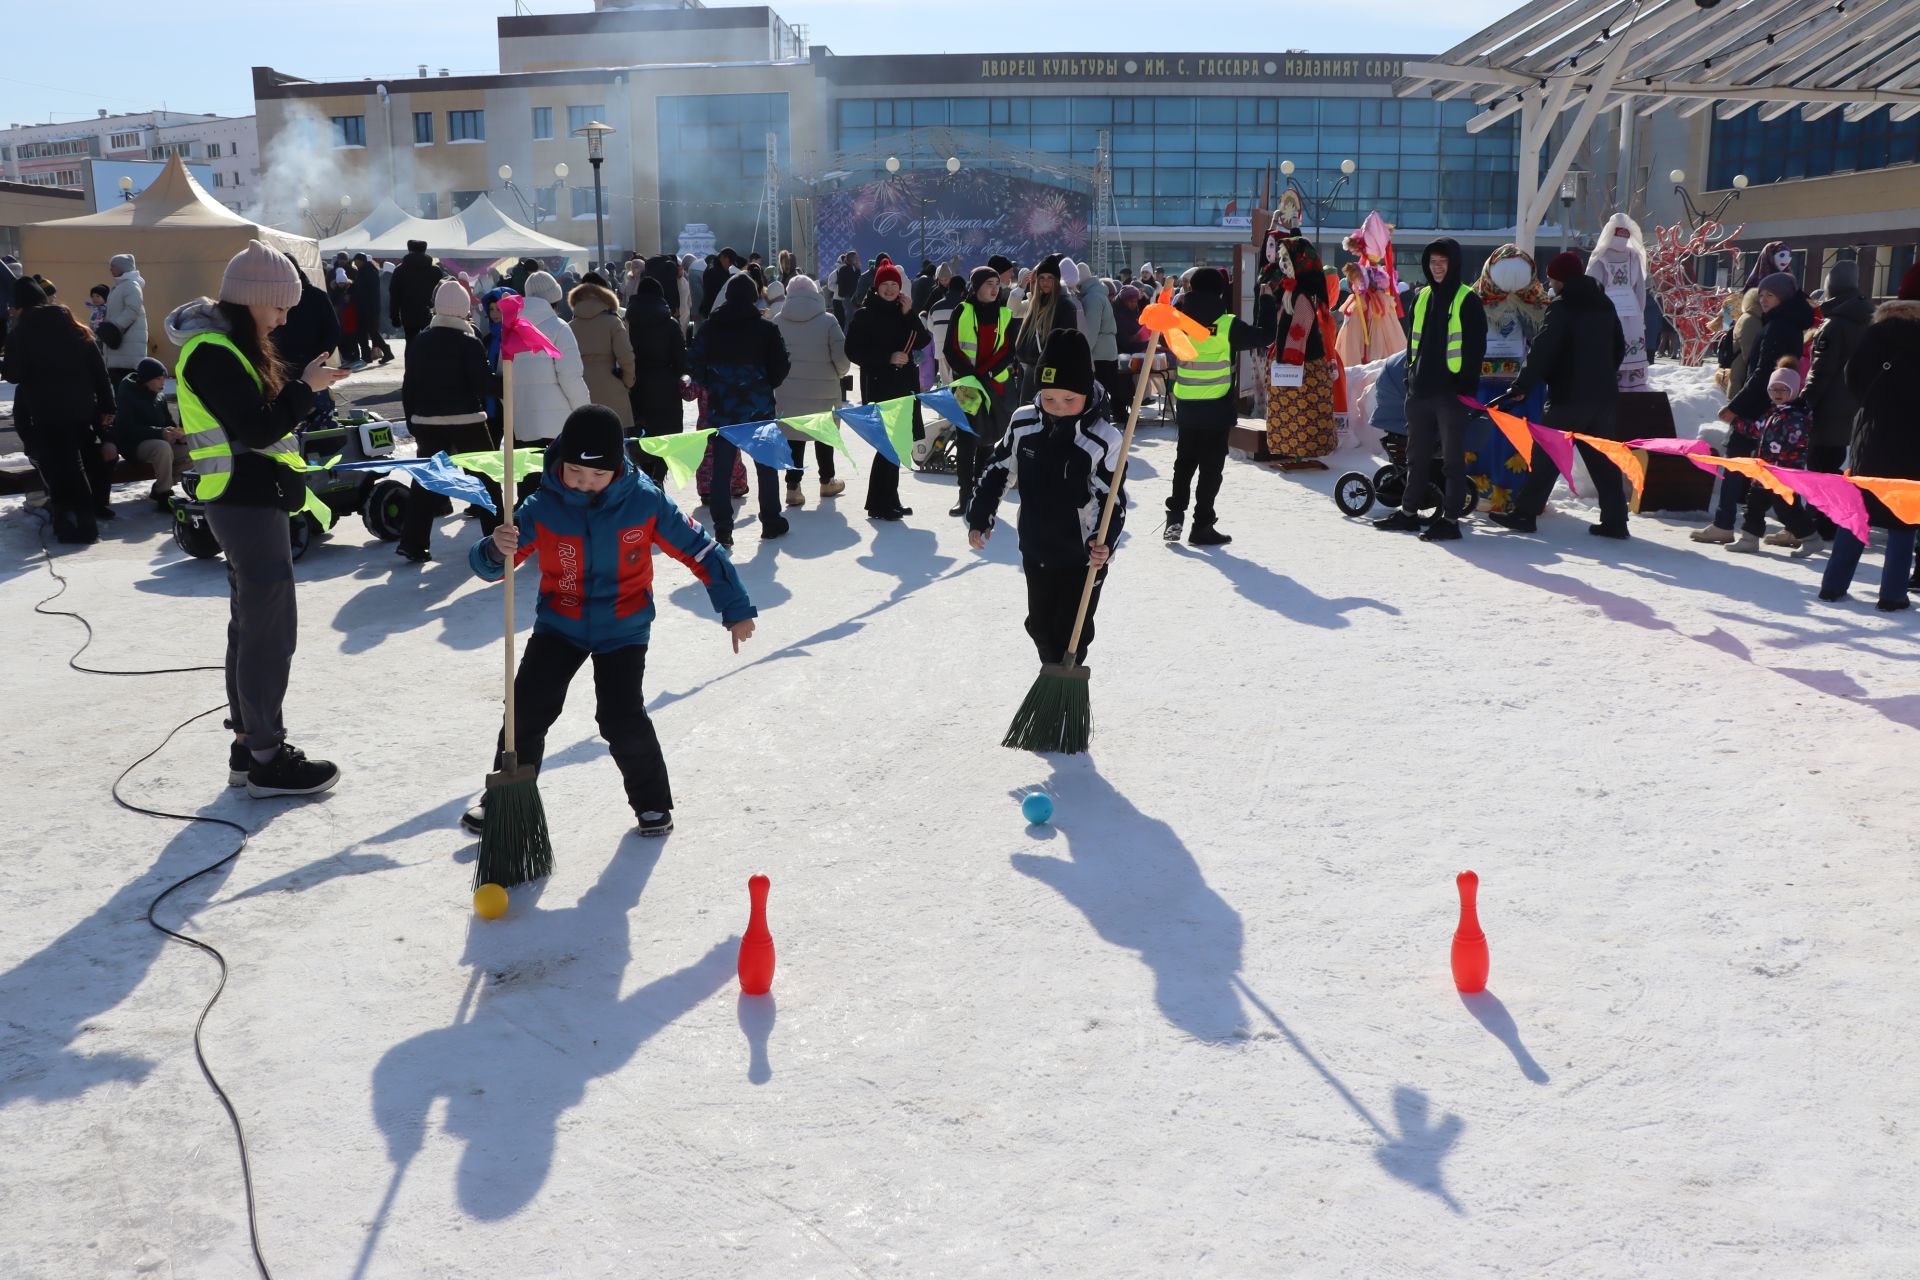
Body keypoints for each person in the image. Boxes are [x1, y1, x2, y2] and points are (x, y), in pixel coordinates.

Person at [461, 406, 757, 838]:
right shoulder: (542, 505)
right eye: (574, 472)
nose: (583, 482)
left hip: (624, 627)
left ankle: (653, 805)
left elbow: (701, 550)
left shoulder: (644, 500)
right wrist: (493, 548)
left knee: (621, 717)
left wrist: (736, 608)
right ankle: (504, 799)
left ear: (616, 468)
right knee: (525, 710)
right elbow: (493, 570)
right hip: (559, 625)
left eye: (595, 475)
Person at [165, 241, 350, 796]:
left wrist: (299, 392)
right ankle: (267, 755)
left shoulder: (224, 348)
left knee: (252, 623)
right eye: (280, 306)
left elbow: (256, 426)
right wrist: (305, 391)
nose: (285, 318)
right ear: (254, 300)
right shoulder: (213, 352)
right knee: (268, 629)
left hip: (248, 497)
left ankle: (251, 746)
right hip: (241, 500)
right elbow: (257, 429)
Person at [965, 328, 1124, 669]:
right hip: (1036, 547)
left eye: (1069, 400)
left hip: (1083, 556)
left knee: (1073, 634)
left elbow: (1111, 498)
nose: (1058, 408)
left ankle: (1066, 696)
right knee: (1040, 625)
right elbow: (999, 469)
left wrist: (1103, 540)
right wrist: (981, 515)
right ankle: (1052, 678)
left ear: (1086, 392)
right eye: (1049, 398)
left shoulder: (1103, 440)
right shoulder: (1024, 423)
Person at [1487, 251, 1629, 538]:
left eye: (1552, 278)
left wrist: (1522, 386)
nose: (1550, 282)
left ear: (1560, 279)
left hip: (1569, 396)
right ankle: (1615, 521)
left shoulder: (1562, 307)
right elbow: (1619, 346)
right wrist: (1603, 376)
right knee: (1602, 460)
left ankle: (1525, 514)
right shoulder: (1604, 303)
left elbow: (1543, 350)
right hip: (1603, 397)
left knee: (1546, 455)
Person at [1373, 238, 1488, 542]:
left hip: (1451, 395)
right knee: (1416, 458)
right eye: (1432, 263)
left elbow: (1477, 348)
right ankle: (1408, 514)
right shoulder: (1421, 297)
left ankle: (1450, 520)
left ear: (1454, 263)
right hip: (1420, 391)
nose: (1437, 268)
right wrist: (1411, 379)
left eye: (1442, 262)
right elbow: (1413, 342)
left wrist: (1465, 385)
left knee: (1452, 461)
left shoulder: (1468, 300)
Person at [1820, 267, 1920, 610]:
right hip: (1912, 439)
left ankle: (1833, 585)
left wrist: (1874, 405)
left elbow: (1853, 376)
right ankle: (1892, 595)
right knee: (1903, 517)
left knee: (1858, 511)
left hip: (1872, 432)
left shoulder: (1876, 333)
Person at [1695, 271, 1817, 543]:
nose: (1763, 299)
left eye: (1769, 295)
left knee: (1736, 461)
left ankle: (1724, 523)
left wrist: (1735, 406)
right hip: (1776, 404)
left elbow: (1762, 372)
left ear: (1783, 297)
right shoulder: (1790, 323)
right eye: (1760, 294)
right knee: (1776, 469)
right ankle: (1795, 529)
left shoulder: (1777, 326)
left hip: (1759, 405)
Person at [1163, 267, 1276, 546]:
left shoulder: (1177, 321)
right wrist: (1267, 301)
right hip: (1216, 410)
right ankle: (1201, 526)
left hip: (1188, 407)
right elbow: (1265, 337)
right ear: (1219, 291)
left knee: (1184, 464)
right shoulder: (1226, 325)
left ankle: (1174, 517)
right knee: (1210, 469)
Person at [3, 274, 116, 543]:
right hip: (81, 410)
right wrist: (107, 405)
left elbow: (14, 374)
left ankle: (84, 526)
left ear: (20, 305)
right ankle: (64, 524)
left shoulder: (21, 331)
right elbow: (99, 371)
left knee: (67, 468)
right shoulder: (74, 326)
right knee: (66, 465)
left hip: (46, 411)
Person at [688, 273, 791, 545]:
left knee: (721, 469)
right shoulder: (766, 329)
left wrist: (714, 384)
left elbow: (694, 363)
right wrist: (765, 384)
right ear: (753, 296)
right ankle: (770, 520)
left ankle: (723, 527)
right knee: (766, 465)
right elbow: (782, 365)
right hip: (759, 407)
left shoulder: (709, 329)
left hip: (723, 407)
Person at [396, 279, 494, 562]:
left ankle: (412, 542)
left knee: (426, 481)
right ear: (465, 310)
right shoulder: (469, 341)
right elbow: (483, 384)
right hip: (467, 420)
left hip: (427, 421)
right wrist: (504, 383)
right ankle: (496, 538)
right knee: (487, 478)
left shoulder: (420, 341)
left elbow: (409, 385)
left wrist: (413, 420)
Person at [843, 258, 931, 521]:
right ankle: (878, 503)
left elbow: (924, 340)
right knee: (887, 446)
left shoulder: (901, 312)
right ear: (876, 286)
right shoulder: (865, 314)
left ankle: (890, 499)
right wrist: (887, 357)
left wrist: (910, 313)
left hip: (905, 385)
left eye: (895, 284)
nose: (891, 289)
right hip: (881, 386)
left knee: (899, 444)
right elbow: (853, 350)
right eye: (886, 284)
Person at [1800, 260, 1873, 543]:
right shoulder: (1870, 320)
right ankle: (1828, 523)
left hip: (1828, 405)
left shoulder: (1833, 325)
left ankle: (1818, 525)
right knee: (1834, 466)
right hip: (1857, 403)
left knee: (1819, 467)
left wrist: (1804, 402)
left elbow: (1821, 370)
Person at [945, 266, 1021, 517]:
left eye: (997, 284)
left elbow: (1009, 350)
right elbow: (950, 348)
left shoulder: (1006, 314)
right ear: (976, 286)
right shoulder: (962, 310)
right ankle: (964, 495)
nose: (994, 289)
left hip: (994, 385)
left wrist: (986, 372)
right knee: (966, 443)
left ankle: (981, 494)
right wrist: (969, 374)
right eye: (989, 283)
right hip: (968, 387)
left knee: (988, 441)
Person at [1725, 359, 1819, 556]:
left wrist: (1779, 465)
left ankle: (1811, 540)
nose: (1777, 393)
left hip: (1782, 474)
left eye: (1783, 389)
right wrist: (1736, 421)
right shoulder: (1772, 413)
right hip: (1765, 473)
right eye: (1773, 389)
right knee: (1753, 505)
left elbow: (1796, 445)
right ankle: (1749, 540)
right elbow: (1756, 430)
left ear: (1793, 391)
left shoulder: (1795, 417)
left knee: (1787, 509)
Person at [771, 274, 849, 507]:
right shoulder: (829, 321)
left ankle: (793, 488)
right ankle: (827, 481)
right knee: (824, 435)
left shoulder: (777, 321)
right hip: (824, 390)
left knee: (794, 439)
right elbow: (842, 359)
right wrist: (840, 373)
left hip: (788, 391)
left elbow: (772, 359)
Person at [513, 273, 591, 448]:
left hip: (522, 426)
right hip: (558, 425)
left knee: (529, 474)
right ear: (556, 297)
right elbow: (571, 378)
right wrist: (585, 413)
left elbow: (505, 377)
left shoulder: (512, 330)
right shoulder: (559, 328)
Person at [625, 277, 689, 470]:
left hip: (635, 385)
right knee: (665, 436)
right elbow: (681, 361)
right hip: (665, 387)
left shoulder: (627, 322)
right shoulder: (670, 324)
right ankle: (659, 477)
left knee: (639, 435)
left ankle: (645, 478)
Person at [112, 356, 189, 511]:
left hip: (157, 441)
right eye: (159, 379)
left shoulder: (159, 396)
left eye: (164, 379)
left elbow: (167, 422)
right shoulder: (128, 392)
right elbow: (127, 428)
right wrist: (160, 433)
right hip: (132, 445)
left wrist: (178, 435)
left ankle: (159, 488)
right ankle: (164, 495)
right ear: (147, 379)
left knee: (190, 451)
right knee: (162, 448)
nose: (163, 383)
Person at [567, 278, 636, 428]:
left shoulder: (569, 326)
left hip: (580, 389)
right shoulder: (613, 322)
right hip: (612, 387)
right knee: (615, 440)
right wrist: (628, 382)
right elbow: (626, 356)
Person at [1014, 255, 1080, 402]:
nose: (1045, 282)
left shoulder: (1065, 305)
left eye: (1050, 277)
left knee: (1045, 414)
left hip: (1050, 370)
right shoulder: (1036, 304)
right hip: (1031, 368)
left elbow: (1066, 343)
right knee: (1029, 414)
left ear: (1057, 280)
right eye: (1042, 278)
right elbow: (1013, 312)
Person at [1077, 267, 1121, 411]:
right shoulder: (1098, 294)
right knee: (1110, 387)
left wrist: (1084, 353)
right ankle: (1116, 413)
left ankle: (1105, 416)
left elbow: (1091, 329)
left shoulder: (1092, 298)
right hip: (1107, 349)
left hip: (1098, 352)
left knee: (1100, 390)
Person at [388, 239, 445, 343]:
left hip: (408, 313)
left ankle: (411, 359)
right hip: (429, 313)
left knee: (410, 342)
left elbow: (394, 295)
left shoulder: (400, 270)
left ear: (409, 250)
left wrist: (394, 316)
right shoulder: (435, 270)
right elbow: (442, 293)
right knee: (429, 344)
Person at [102, 253, 148, 378]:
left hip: (127, 347)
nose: (110, 269)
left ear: (123, 268)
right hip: (121, 348)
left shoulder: (131, 285)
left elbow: (133, 310)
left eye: (113, 266)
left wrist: (114, 327)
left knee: (123, 383)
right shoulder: (121, 286)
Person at [351, 253, 394, 364]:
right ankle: (367, 355)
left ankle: (386, 352)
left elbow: (370, 292)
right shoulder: (364, 271)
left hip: (368, 308)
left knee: (372, 332)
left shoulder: (369, 272)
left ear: (361, 261)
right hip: (364, 307)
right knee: (363, 332)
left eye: (356, 261)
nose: (355, 263)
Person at [699, 247, 738, 319]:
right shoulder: (714, 270)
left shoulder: (719, 267)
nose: (730, 265)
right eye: (730, 261)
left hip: (716, 309)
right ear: (723, 257)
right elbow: (717, 291)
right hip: (712, 309)